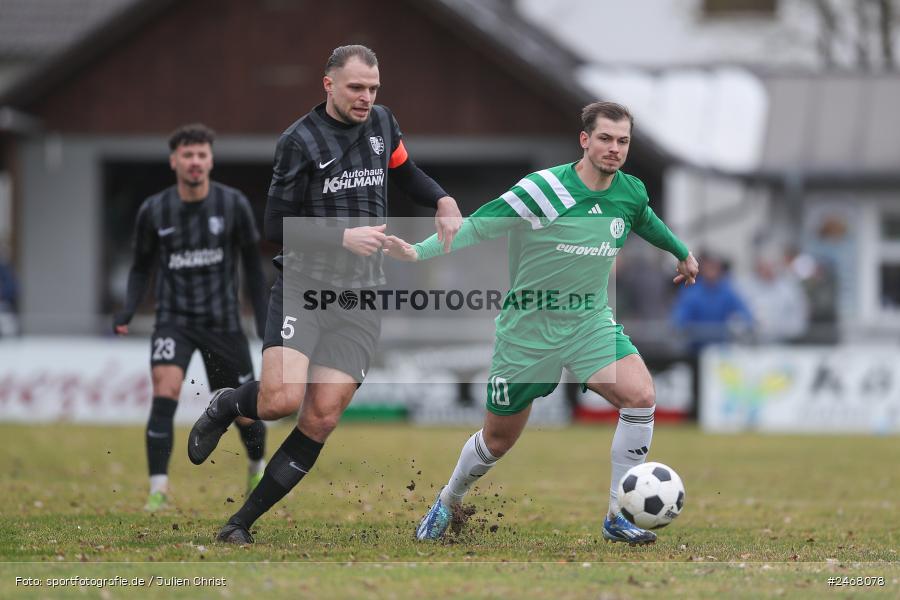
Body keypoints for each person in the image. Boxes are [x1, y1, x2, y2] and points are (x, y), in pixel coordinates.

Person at [383, 101, 699, 545]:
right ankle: (449, 499)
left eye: (622, 141)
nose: (614, 148)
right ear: (585, 140)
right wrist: (419, 252)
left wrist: (681, 252)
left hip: (589, 324)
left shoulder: (630, 191)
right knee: (497, 441)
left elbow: (644, 219)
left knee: (641, 394)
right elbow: (477, 226)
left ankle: (617, 515)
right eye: (605, 138)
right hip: (528, 333)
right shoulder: (542, 189)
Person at [187, 44, 462, 544]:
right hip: (305, 287)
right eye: (356, 87)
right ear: (329, 84)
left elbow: (405, 171)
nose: (366, 97)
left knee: (321, 416)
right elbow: (273, 226)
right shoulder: (299, 141)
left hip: (359, 298)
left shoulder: (383, 124)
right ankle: (229, 403)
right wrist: (342, 237)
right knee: (280, 401)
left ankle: (238, 524)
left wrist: (442, 199)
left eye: (373, 88)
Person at [114, 124, 269, 512]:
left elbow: (253, 266)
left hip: (223, 322)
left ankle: (255, 466)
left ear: (211, 160)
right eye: (188, 155)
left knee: (245, 411)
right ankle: (158, 489)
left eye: (201, 155)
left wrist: (264, 321)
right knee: (163, 392)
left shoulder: (232, 205)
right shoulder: (154, 210)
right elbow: (140, 267)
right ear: (174, 161)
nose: (195, 162)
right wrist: (128, 309)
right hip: (174, 321)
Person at [670, 252, 753, 352]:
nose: (711, 271)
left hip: (722, 350)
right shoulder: (691, 291)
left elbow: (746, 315)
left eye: (714, 267)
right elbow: (678, 318)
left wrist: (738, 324)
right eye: (708, 267)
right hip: (696, 350)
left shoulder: (728, 291)